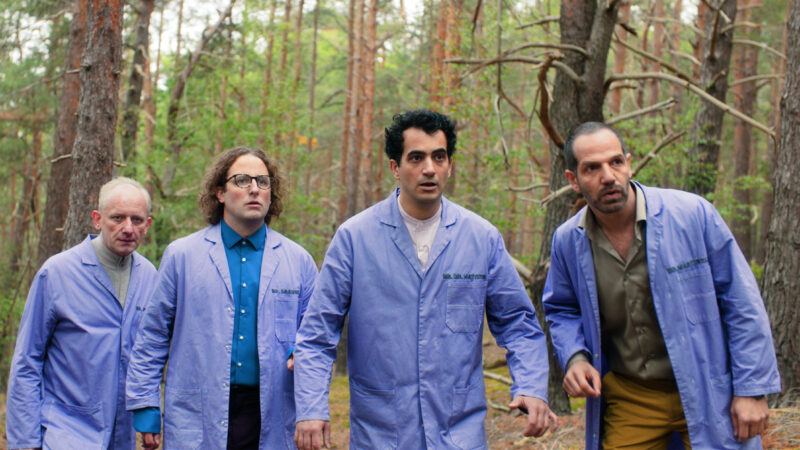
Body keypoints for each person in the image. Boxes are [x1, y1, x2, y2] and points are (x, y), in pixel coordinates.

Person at [293, 109, 557, 450]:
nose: (429, 168)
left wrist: (531, 387)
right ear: (395, 167)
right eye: (416, 158)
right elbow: (317, 335)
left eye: (439, 157)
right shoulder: (355, 239)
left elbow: (519, 324)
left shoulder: (480, 238)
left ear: (450, 165)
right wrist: (311, 408)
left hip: (459, 431)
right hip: (381, 432)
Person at [542, 122, 781, 449]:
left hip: (709, 388)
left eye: (615, 162)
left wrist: (751, 389)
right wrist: (575, 357)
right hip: (631, 396)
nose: (608, 176)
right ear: (573, 180)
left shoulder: (691, 215)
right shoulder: (568, 240)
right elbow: (561, 308)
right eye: (592, 168)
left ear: (628, 163)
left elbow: (741, 302)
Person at [125, 147, 318, 449]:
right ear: (220, 193)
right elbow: (152, 336)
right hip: (198, 409)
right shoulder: (182, 256)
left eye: (263, 182)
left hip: (273, 410)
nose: (254, 188)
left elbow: (315, 339)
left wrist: (300, 360)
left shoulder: (299, 261)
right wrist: (146, 406)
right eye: (242, 180)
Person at [6, 177, 157, 449]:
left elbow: (150, 357)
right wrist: (25, 441)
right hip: (64, 432)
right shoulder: (58, 273)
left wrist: (149, 410)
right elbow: (27, 360)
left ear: (147, 224)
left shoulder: (150, 277)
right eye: (117, 218)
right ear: (97, 219)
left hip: (121, 436)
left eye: (136, 220)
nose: (127, 228)